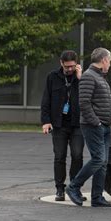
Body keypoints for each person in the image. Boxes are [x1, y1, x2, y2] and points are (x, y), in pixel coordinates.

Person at [65, 47, 111, 207]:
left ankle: (97, 198)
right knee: (98, 159)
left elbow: (100, 101)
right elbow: (84, 103)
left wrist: (110, 118)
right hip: (93, 126)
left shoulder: (100, 77)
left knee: (103, 162)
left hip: (104, 125)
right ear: (104, 60)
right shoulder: (88, 76)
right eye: (110, 61)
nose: (110, 65)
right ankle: (73, 187)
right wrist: (97, 122)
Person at [40, 50, 85, 202]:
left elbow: (87, 96)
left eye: (72, 66)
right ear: (61, 63)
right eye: (67, 67)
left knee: (77, 155)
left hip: (78, 124)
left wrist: (80, 78)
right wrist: (45, 121)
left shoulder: (82, 78)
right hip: (59, 125)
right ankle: (60, 189)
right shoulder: (52, 77)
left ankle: (75, 188)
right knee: (59, 157)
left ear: (77, 64)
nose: (70, 69)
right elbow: (46, 99)